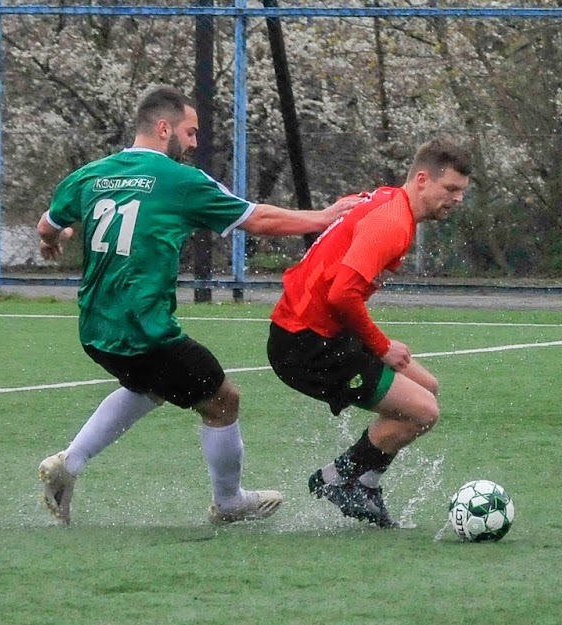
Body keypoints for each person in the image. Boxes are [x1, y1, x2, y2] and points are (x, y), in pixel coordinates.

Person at [36, 84, 353, 526]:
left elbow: (47, 226)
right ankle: (229, 504)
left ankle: (69, 465)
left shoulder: (89, 175)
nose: (194, 143)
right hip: (145, 329)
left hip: (95, 329)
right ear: (163, 128)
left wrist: (57, 239)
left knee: (149, 388)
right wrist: (324, 217)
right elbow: (255, 218)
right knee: (223, 401)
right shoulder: (179, 181)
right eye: (190, 132)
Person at [266, 137, 472, 528]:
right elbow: (341, 292)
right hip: (305, 343)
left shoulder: (388, 201)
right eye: (451, 189)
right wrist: (381, 347)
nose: (457, 199)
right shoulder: (393, 221)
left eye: (462, 191)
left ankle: (364, 481)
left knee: (427, 388)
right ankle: (336, 480)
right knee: (423, 412)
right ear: (423, 179)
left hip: (322, 332)